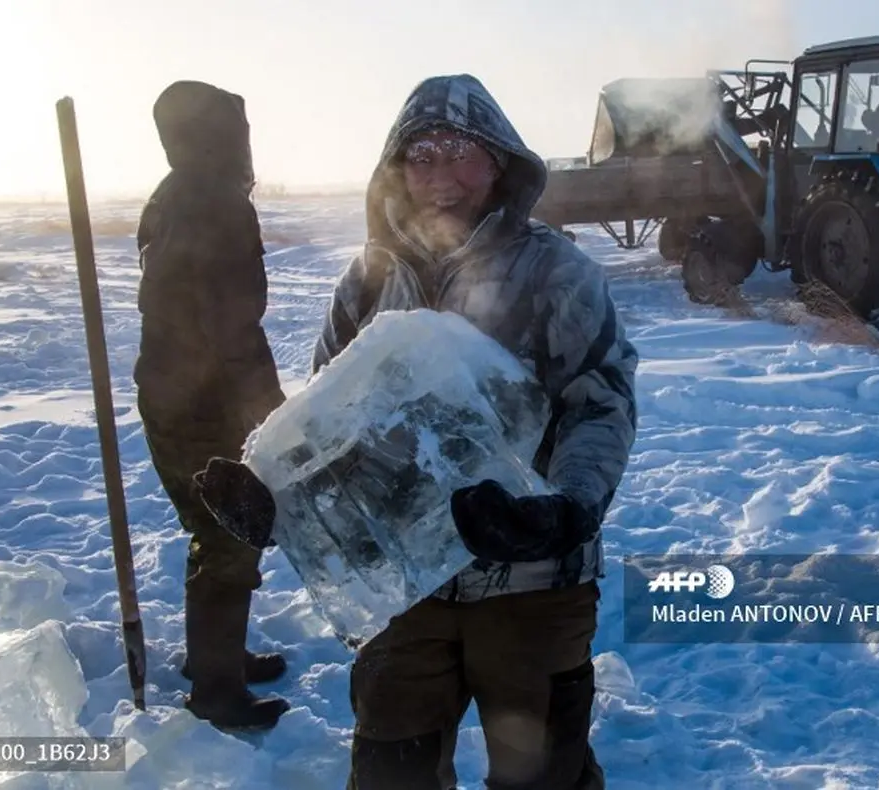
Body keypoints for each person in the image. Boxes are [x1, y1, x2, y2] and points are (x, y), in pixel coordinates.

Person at [313, 73, 638, 789]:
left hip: (533, 584)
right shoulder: (366, 282)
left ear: (499, 162)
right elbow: (325, 423)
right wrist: (271, 490)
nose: (441, 177)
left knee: (543, 778)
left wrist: (568, 509)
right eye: (421, 156)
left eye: (461, 152)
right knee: (391, 775)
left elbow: (600, 403)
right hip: (406, 594)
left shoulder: (557, 272)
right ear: (397, 172)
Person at [134, 79, 290, 731]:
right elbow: (230, 327)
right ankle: (217, 692)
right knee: (229, 534)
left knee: (219, 531)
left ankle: (215, 659)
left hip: (175, 395)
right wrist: (269, 409)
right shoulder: (215, 202)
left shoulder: (173, 195)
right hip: (204, 403)